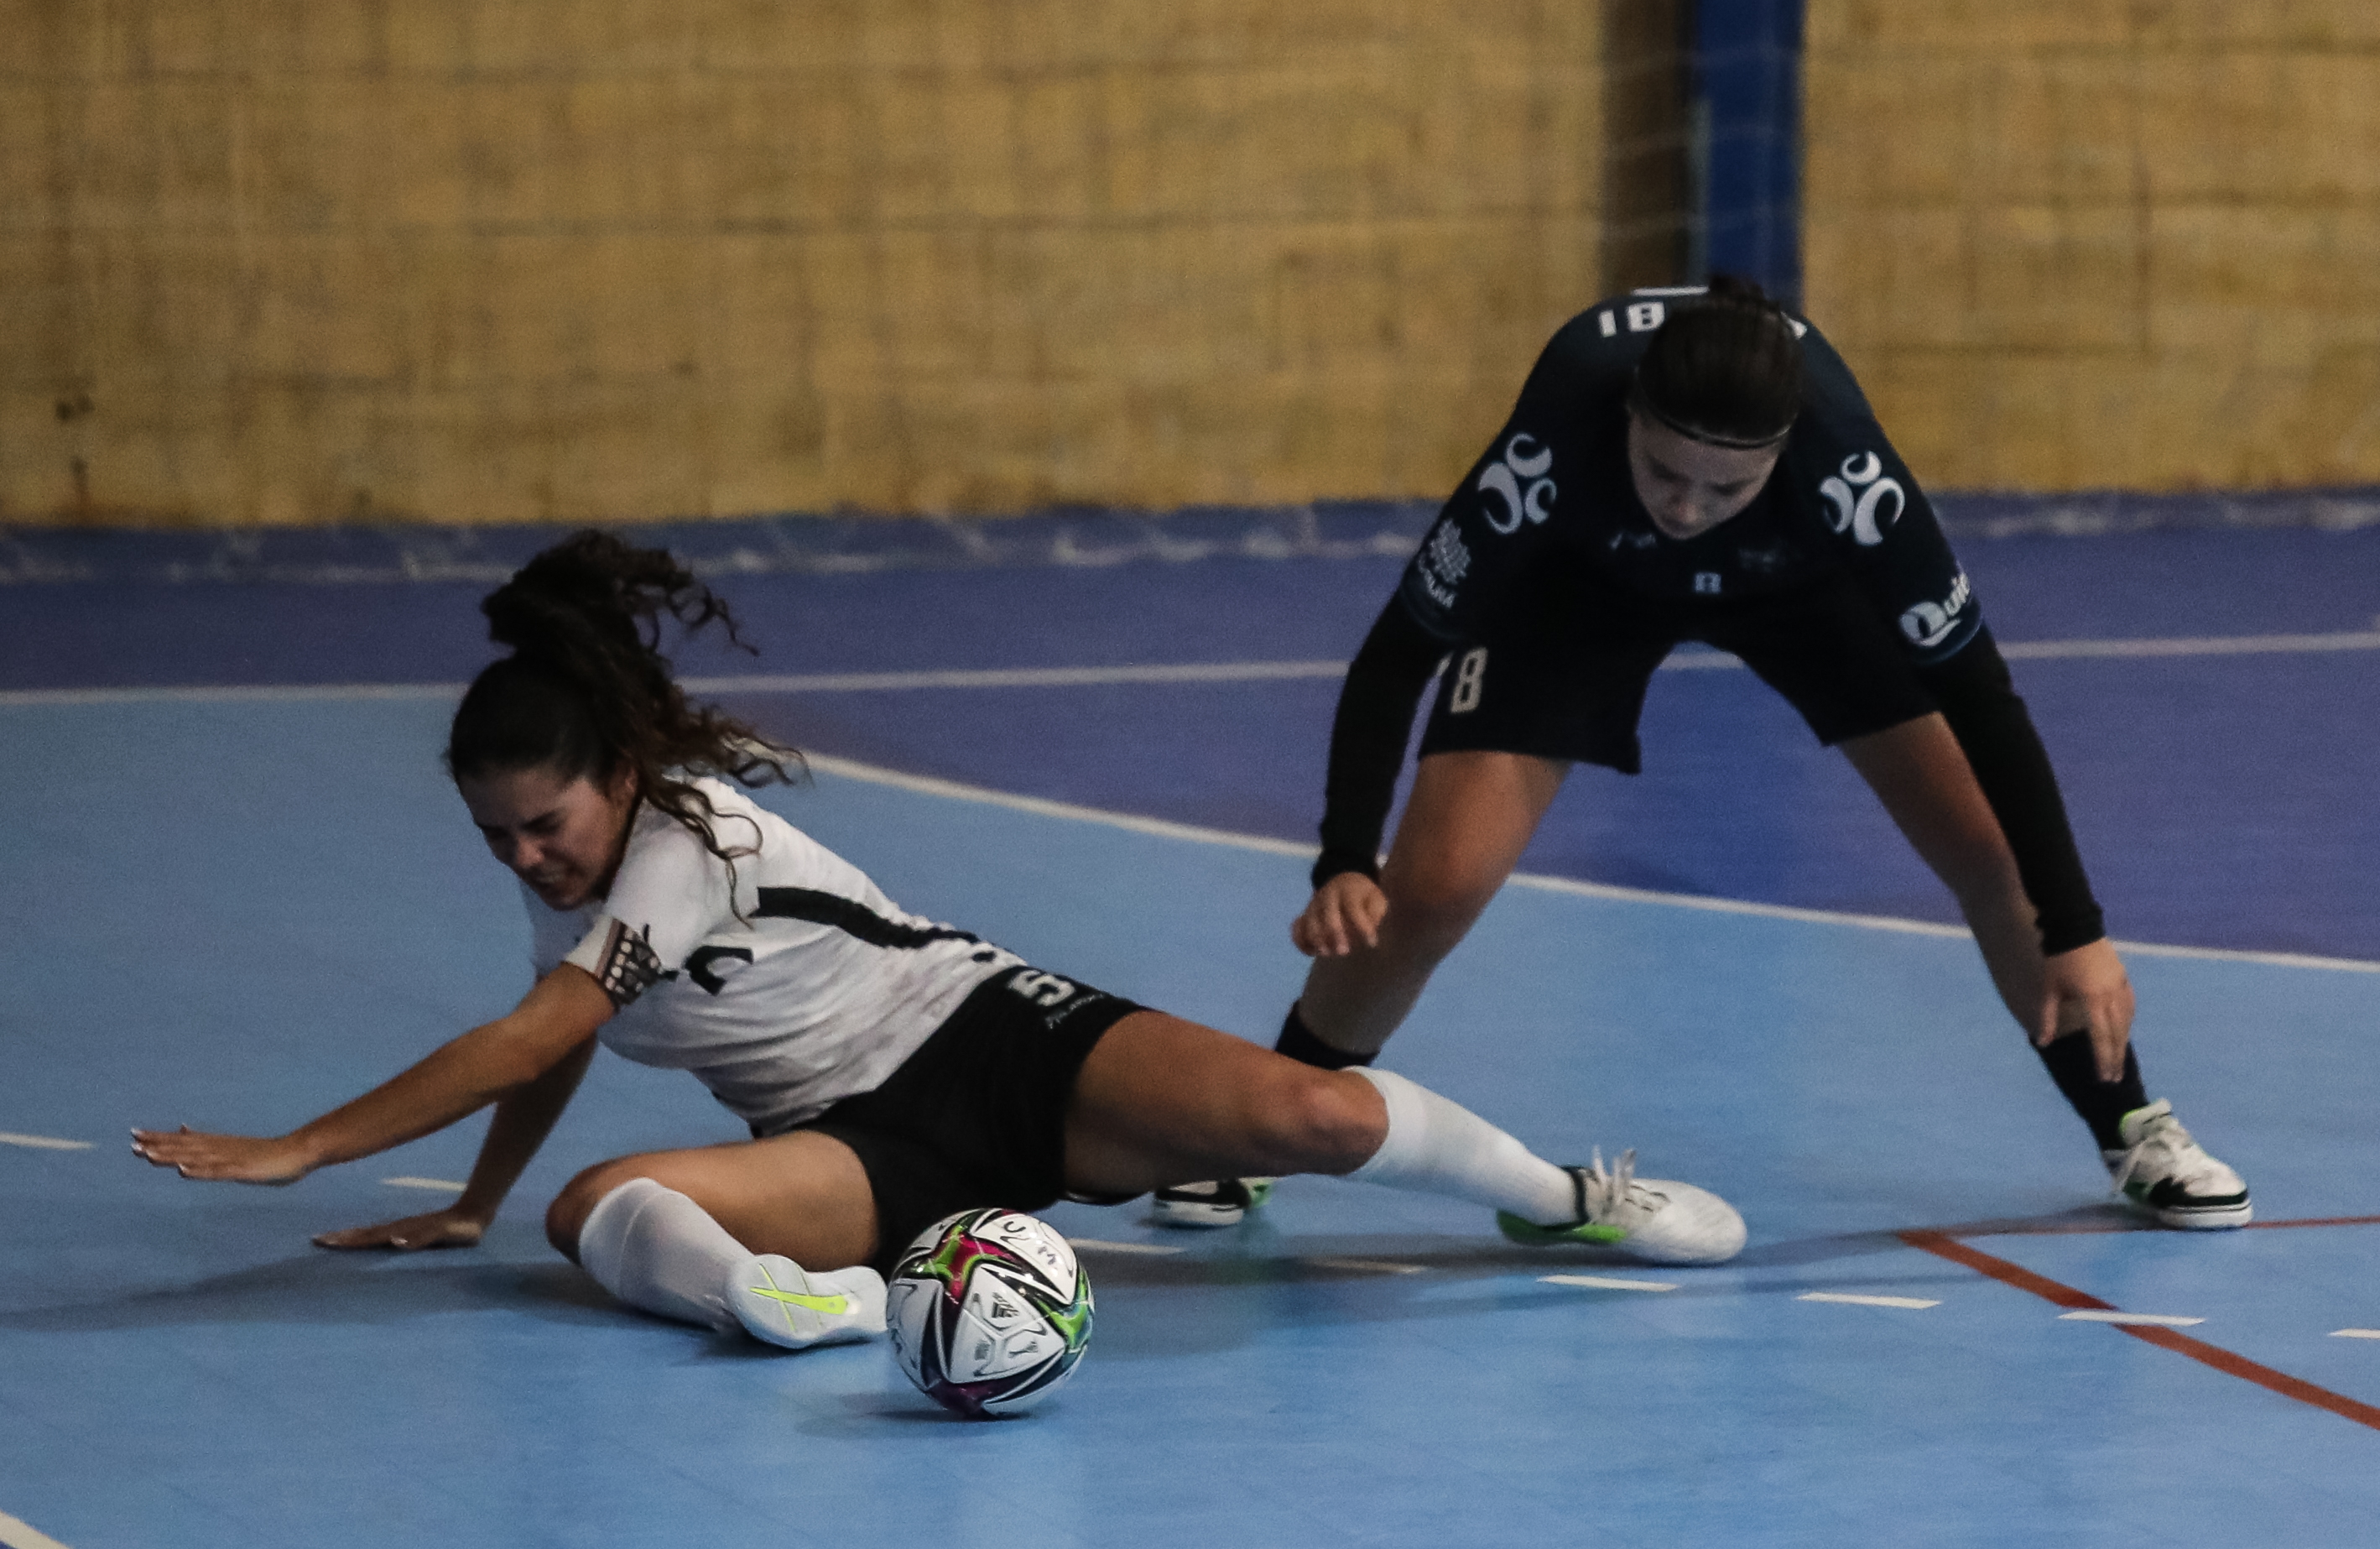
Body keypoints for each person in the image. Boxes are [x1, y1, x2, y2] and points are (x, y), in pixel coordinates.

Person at [133, 533, 1746, 1353]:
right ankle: (792, 1305)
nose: (526, 853)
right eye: (498, 835)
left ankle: (1564, 1201)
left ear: (618, 774)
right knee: (594, 1209)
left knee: (1308, 1115)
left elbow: (543, 1029)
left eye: (544, 822)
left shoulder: (681, 836)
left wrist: (302, 1148)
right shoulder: (576, 882)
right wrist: (479, 1198)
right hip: (858, 1145)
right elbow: (556, 1023)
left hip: (993, 1037)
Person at [1153, 277, 2250, 1233]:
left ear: (1782, 453)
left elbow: (1984, 696)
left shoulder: (1848, 476)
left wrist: (2081, 927)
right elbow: (1400, 650)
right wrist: (1344, 854)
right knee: (1432, 888)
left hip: (1800, 589)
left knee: (1995, 857)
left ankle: (2130, 1126)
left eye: (1724, 488)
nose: (1687, 507)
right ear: (1627, 415)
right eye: (1665, 472)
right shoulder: (1554, 439)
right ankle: (1274, 1116)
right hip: (1580, 585)